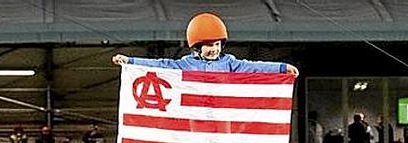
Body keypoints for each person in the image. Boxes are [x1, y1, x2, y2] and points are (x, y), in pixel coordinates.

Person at [112, 13, 298, 76]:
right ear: (197, 47)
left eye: (217, 44)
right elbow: (161, 64)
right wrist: (130, 61)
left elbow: (254, 67)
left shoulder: (230, 63)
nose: (214, 49)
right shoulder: (185, 64)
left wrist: (282, 68)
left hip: (221, 114)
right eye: (209, 45)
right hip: (195, 114)